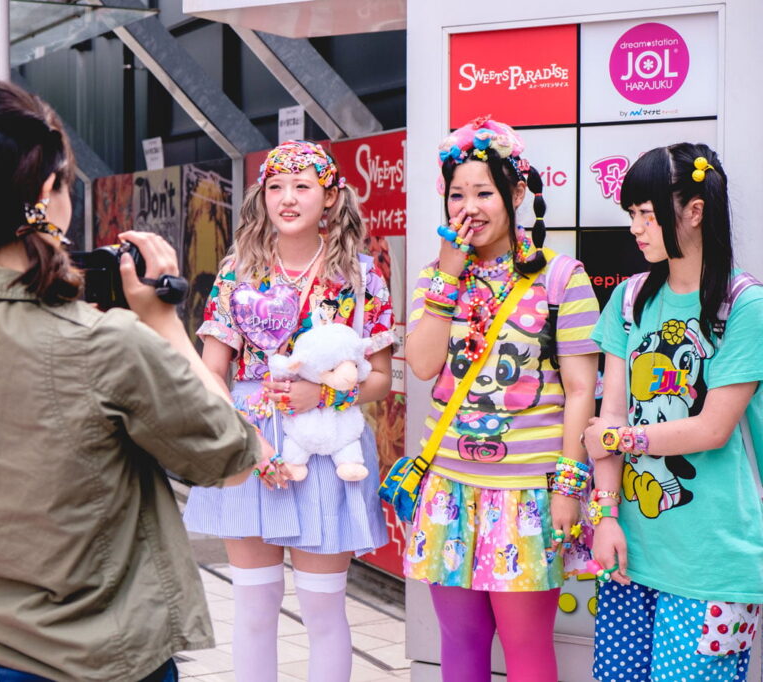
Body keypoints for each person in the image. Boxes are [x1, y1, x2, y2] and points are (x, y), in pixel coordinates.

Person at [0, 80, 270, 682]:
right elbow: (238, 457)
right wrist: (163, 321)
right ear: (44, 192)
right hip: (95, 663)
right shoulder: (102, 343)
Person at [183, 140, 397, 682]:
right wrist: (243, 438)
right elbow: (214, 370)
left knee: (323, 608)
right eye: (275, 186)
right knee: (254, 608)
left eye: (302, 186)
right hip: (251, 443)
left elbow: (380, 381)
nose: (287, 198)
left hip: (329, 446)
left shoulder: (361, 276)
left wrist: (321, 395)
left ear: (330, 197)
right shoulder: (239, 271)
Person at [401, 117, 600, 682]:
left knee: (527, 645)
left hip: (527, 493)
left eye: (484, 192)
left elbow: (582, 389)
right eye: (457, 194)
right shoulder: (434, 278)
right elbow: (420, 365)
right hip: (447, 489)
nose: (469, 207)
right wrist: (446, 275)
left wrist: (567, 485)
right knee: (460, 643)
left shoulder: (562, 277)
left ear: (516, 193)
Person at [584, 143, 763, 682]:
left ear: (694, 211)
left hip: (712, 561)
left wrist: (616, 440)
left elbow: (711, 429)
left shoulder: (744, 304)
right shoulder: (631, 299)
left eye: (646, 213)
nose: (636, 228)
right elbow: (609, 408)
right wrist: (607, 514)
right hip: (630, 552)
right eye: (631, 214)